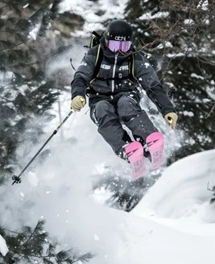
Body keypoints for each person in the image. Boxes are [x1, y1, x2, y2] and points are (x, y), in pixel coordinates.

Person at [70, 19, 178, 161]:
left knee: (126, 104)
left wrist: (167, 109)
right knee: (103, 109)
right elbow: (80, 77)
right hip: (99, 98)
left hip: (126, 94)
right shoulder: (95, 55)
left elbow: (153, 86)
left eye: (124, 46)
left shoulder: (135, 58)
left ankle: (149, 142)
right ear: (106, 42)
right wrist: (78, 95)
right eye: (115, 46)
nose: (119, 51)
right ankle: (127, 149)